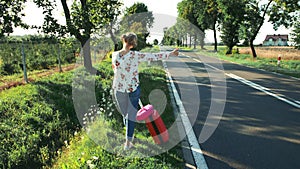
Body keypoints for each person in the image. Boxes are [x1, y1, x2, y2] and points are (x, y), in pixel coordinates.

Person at [112, 32, 179, 150]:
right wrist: (171, 54)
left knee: (126, 115)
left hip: (119, 89)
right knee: (129, 116)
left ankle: (128, 139)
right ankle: (129, 139)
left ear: (124, 41)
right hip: (132, 89)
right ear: (133, 44)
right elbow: (154, 56)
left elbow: (114, 70)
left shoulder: (114, 55)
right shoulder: (135, 55)